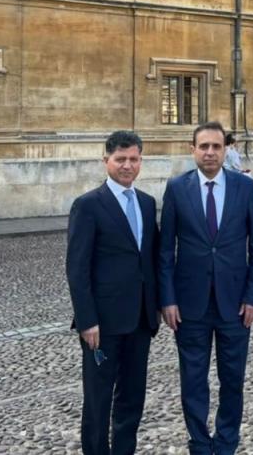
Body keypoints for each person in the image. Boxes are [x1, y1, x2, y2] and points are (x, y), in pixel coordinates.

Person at [160, 121, 253, 455]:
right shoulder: (177, 188)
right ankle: (199, 444)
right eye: (203, 146)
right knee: (193, 381)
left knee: (232, 379)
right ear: (192, 150)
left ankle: (226, 443)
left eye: (216, 147)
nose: (210, 153)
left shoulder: (246, 188)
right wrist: (168, 299)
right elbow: (165, 251)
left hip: (235, 304)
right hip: (189, 304)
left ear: (225, 150)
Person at [66, 130, 160, 455]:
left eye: (133, 159)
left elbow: (150, 258)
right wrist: (87, 320)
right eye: (120, 159)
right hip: (102, 325)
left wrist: (156, 305)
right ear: (106, 160)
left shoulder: (147, 203)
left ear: (141, 161)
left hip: (139, 320)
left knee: (132, 398)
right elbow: (77, 268)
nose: (127, 165)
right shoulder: (88, 205)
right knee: (98, 400)